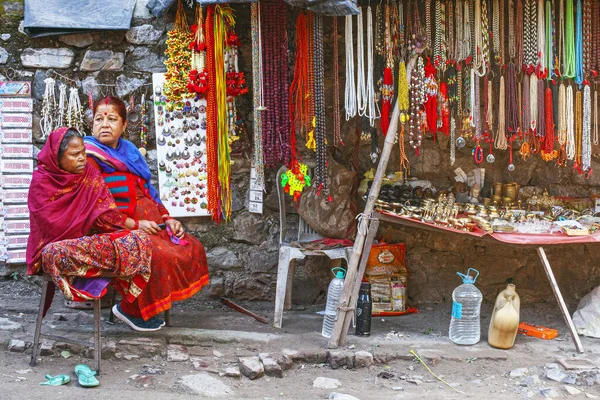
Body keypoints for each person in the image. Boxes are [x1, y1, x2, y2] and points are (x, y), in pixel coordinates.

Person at [84, 96, 209, 330]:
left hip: (150, 225)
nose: (104, 124)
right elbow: (94, 207)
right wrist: (134, 224)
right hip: (115, 227)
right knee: (157, 256)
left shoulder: (131, 154)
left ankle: (150, 306)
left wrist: (167, 218)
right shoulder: (89, 157)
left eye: (112, 119)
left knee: (190, 247)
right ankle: (131, 309)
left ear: (123, 125)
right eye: (99, 119)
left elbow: (148, 192)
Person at [26, 127, 163, 330]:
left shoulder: (89, 174)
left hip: (87, 246)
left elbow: (107, 216)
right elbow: (48, 227)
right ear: (56, 157)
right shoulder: (42, 182)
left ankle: (129, 307)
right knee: (54, 253)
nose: (82, 158)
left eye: (83, 152)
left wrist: (133, 227)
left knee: (137, 240)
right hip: (56, 249)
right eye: (74, 154)